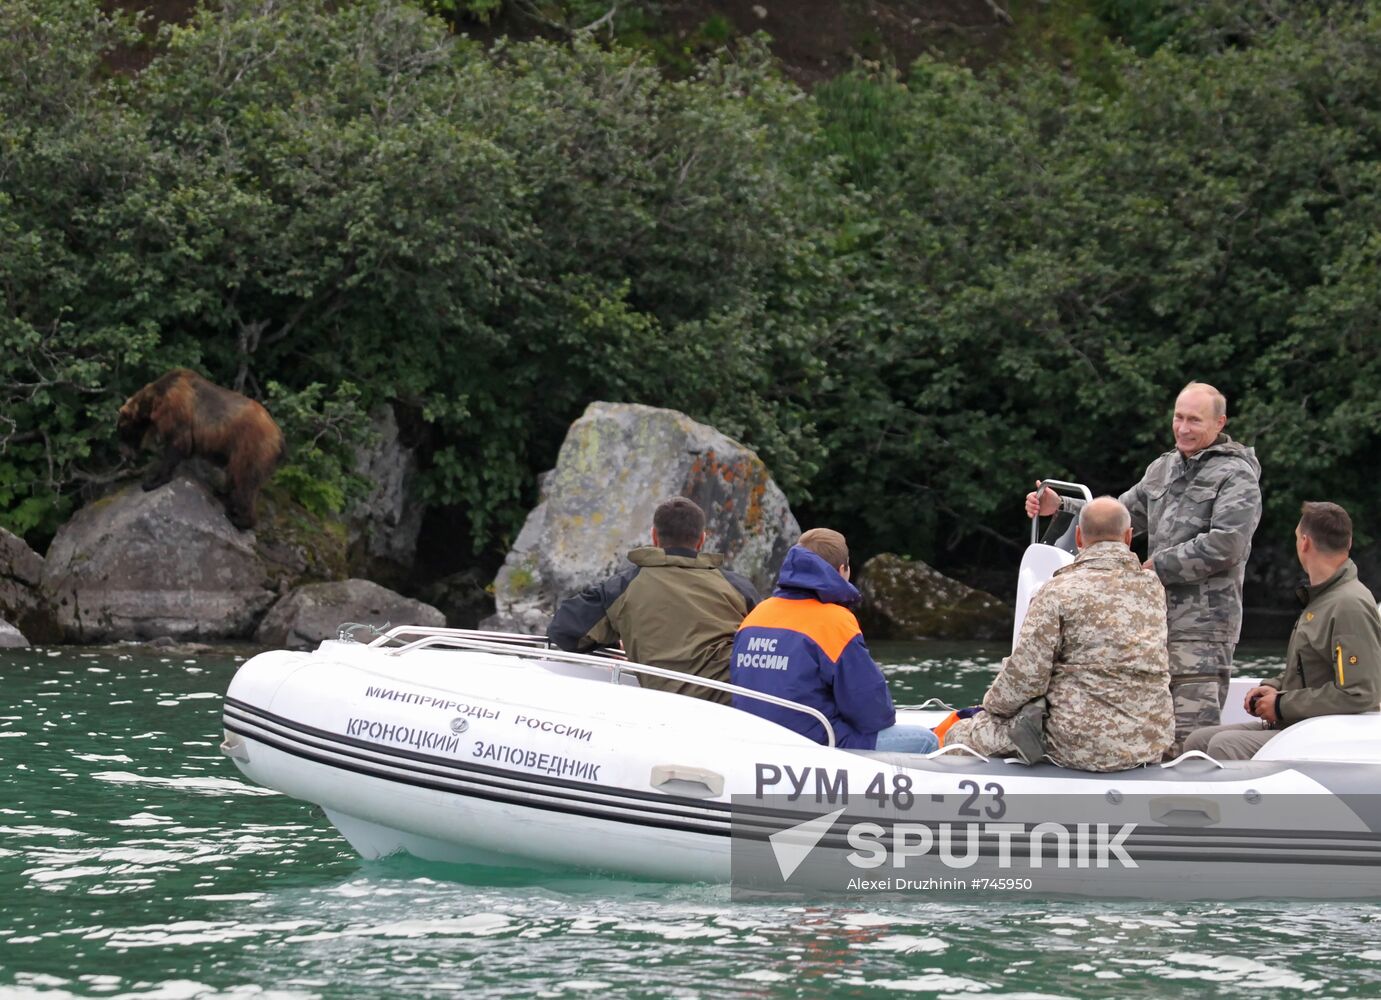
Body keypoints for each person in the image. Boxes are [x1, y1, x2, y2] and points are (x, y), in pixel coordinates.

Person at [1026, 381, 1262, 753]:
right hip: (1149, 628)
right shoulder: (1162, 469)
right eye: (1178, 417)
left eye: (1194, 421)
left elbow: (1228, 544)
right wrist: (1063, 507)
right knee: (1153, 737)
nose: (1183, 428)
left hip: (1202, 630)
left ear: (1220, 423)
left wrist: (1155, 567)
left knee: (1190, 744)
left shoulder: (1237, 476)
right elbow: (1116, 516)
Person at [945, 497, 1173, 771]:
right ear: (1128, 536)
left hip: (1078, 745)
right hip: (1149, 743)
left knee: (958, 735)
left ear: (1078, 536)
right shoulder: (1153, 588)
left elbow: (1025, 677)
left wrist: (990, 710)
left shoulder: (1057, 591)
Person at [1184, 502, 1381, 760]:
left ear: (1305, 543)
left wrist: (1280, 704)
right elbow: (1310, 668)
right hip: (1300, 723)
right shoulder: (1323, 599)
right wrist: (1273, 687)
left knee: (1224, 745)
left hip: (1321, 734)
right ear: (1349, 542)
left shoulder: (1348, 605)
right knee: (1198, 741)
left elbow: (1359, 693)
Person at [729, 528, 937, 753]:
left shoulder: (757, 614)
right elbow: (873, 714)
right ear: (842, 570)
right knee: (926, 740)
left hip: (756, 736)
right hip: (815, 741)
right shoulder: (834, 620)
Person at [546, 496, 758, 704]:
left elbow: (564, 630)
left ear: (654, 536)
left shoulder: (624, 586)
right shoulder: (738, 588)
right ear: (702, 539)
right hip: (737, 706)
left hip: (665, 707)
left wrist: (621, 641)